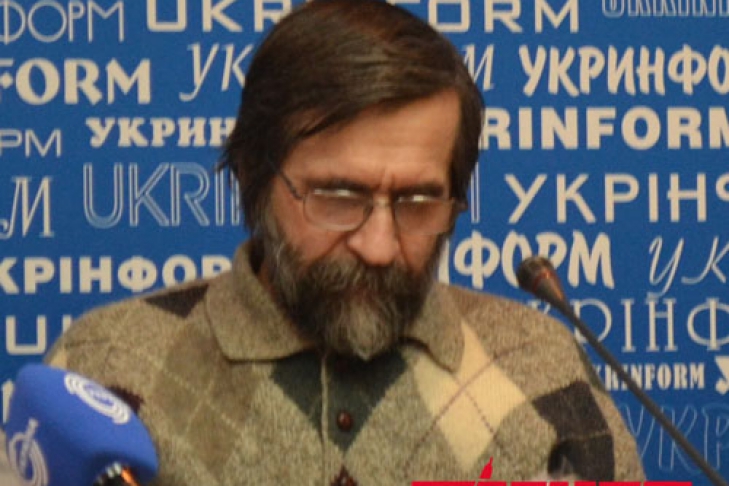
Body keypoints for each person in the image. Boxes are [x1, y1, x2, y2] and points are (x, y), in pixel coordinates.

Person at [40, 0, 644, 484]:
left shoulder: (539, 371)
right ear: (254, 175)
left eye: (417, 202)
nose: (379, 246)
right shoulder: (110, 368)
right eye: (338, 197)